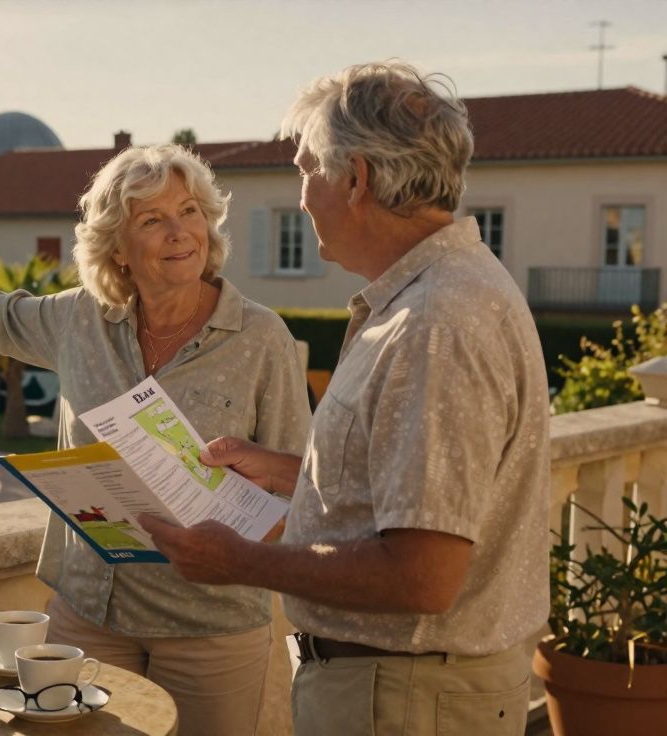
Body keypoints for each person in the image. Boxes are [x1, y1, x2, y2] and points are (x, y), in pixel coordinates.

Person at [0, 144, 311, 734]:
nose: (179, 232)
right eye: (152, 220)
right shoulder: (79, 320)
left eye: (190, 211)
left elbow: (302, 478)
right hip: (90, 613)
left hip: (209, 623)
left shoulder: (261, 338)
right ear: (117, 248)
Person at [141, 62, 550, 735]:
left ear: (355, 178)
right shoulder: (451, 291)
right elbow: (417, 492)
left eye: (306, 170)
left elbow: (422, 576)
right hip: (410, 689)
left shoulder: (434, 323)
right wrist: (292, 473)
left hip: (403, 698)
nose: (303, 198)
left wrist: (237, 561)